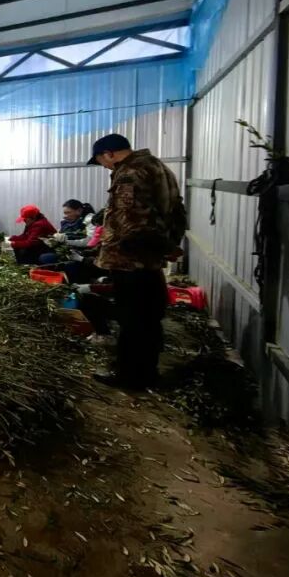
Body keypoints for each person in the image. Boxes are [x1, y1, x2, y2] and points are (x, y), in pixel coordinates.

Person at [89, 133, 187, 390]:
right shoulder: (157, 167)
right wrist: (167, 246)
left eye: (101, 161)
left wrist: (124, 249)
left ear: (109, 154)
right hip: (149, 258)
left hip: (131, 260)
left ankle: (131, 376)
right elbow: (178, 212)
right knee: (149, 318)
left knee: (132, 319)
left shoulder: (130, 173)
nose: (105, 166)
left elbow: (131, 219)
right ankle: (146, 372)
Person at [38, 200, 97, 265]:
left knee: (46, 258)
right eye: (65, 213)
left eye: (68, 212)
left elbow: (90, 242)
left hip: (83, 251)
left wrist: (66, 241)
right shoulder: (68, 220)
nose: (66, 215)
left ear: (79, 210)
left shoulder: (90, 219)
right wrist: (55, 237)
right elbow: (62, 233)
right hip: (69, 249)